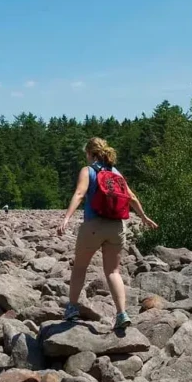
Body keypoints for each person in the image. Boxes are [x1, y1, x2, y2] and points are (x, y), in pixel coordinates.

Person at [57, 137, 158, 329]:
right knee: (113, 271)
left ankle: (72, 309)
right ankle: (121, 314)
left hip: (93, 226)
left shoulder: (88, 171)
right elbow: (131, 196)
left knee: (80, 268)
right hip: (117, 227)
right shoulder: (116, 172)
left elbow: (79, 194)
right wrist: (144, 217)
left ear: (89, 153)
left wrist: (66, 218)